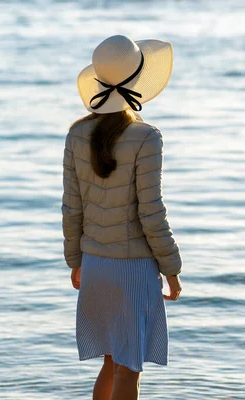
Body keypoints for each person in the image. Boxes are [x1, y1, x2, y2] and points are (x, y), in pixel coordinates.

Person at [61, 34, 183, 400]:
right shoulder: (146, 137)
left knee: (112, 362)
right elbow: (151, 212)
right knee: (129, 369)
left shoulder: (77, 134)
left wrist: (75, 261)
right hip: (133, 268)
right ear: (138, 82)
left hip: (96, 263)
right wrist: (172, 269)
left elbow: (72, 208)